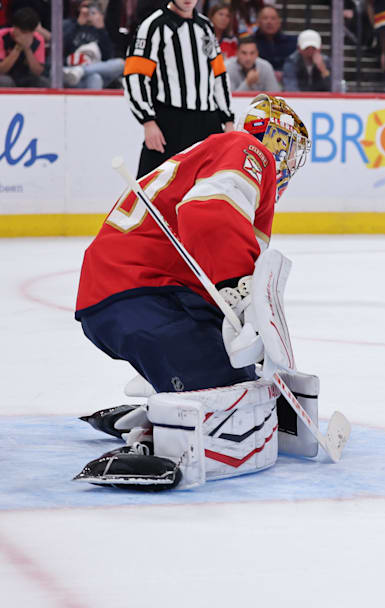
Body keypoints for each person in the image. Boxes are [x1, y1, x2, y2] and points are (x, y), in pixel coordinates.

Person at [73, 94, 314, 491]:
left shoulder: (220, 154)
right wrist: (240, 292)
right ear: (272, 138)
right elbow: (209, 214)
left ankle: (159, 403)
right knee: (229, 393)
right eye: (289, 150)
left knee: (243, 377)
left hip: (140, 291)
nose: (289, 163)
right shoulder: (248, 150)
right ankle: (152, 438)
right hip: (138, 292)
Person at [124, 0, 234, 178]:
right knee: (151, 188)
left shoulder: (205, 26)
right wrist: (148, 121)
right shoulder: (154, 26)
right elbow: (135, 75)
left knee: (213, 187)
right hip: (171, 122)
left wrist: (227, 119)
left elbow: (219, 74)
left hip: (208, 121)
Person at [62, 1, 125, 89]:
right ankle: (79, 71)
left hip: (93, 70)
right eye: (86, 6)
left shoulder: (101, 29)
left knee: (119, 64)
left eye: (92, 7)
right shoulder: (68, 24)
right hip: (68, 71)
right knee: (57, 71)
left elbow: (108, 56)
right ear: (79, 8)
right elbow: (60, 49)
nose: (88, 11)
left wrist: (101, 29)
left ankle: (81, 70)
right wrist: (78, 25)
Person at [0, 7, 48, 88]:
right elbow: (1, 70)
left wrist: (27, 49)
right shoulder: (2, 36)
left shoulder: (38, 40)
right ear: (14, 28)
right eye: (23, 32)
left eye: (28, 33)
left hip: (26, 76)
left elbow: (37, 72)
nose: (25, 36)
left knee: (43, 82)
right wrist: (18, 48)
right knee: (5, 81)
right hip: (6, 75)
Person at [253, 5, 294, 73]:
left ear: (279, 22)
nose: (269, 22)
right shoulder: (250, 43)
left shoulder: (291, 43)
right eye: (265, 18)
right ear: (258, 22)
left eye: (273, 18)